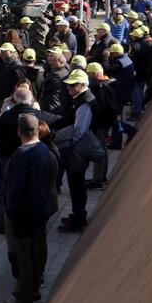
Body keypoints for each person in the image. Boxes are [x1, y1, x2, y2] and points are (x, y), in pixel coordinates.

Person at [1, 114, 59, 303]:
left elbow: (14, 189)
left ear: (19, 132)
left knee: (24, 256)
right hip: (42, 211)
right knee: (37, 250)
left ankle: (24, 298)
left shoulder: (21, 156)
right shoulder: (47, 151)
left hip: (23, 214)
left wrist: (11, 212)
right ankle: (34, 288)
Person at [53, 69, 103, 233]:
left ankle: (79, 218)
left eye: (72, 86)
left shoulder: (85, 102)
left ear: (82, 85)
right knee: (76, 184)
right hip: (77, 149)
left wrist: (68, 144)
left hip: (77, 151)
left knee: (77, 184)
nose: (68, 89)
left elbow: (79, 130)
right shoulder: (81, 99)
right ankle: (77, 215)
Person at [0, 85, 43, 233]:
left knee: (5, 191)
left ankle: (2, 223)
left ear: (15, 98)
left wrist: (2, 155)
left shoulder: (6, 116)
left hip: (8, 158)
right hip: (32, 157)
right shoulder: (37, 116)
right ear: (31, 99)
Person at [85, 62, 115, 189]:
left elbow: (100, 108)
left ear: (93, 74)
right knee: (103, 149)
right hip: (105, 122)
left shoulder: (98, 88)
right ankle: (101, 176)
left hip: (100, 124)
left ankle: (97, 179)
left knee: (99, 150)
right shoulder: (107, 84)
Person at [0, 44, 25, 129]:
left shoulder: (16, 65)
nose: (1, 53)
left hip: (7, 100)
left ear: (11, 52)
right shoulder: (0, 62)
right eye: (1, 51)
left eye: (4, 51)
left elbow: (18, 83)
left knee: (4, 124)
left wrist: (11, 97)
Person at [39, 48, 71, 119]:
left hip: (51, 106)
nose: (51, 62)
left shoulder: (54, 75)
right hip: (59, 104)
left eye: (54, 61)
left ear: (61, 62)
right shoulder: (66, 71)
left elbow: (43, 90)